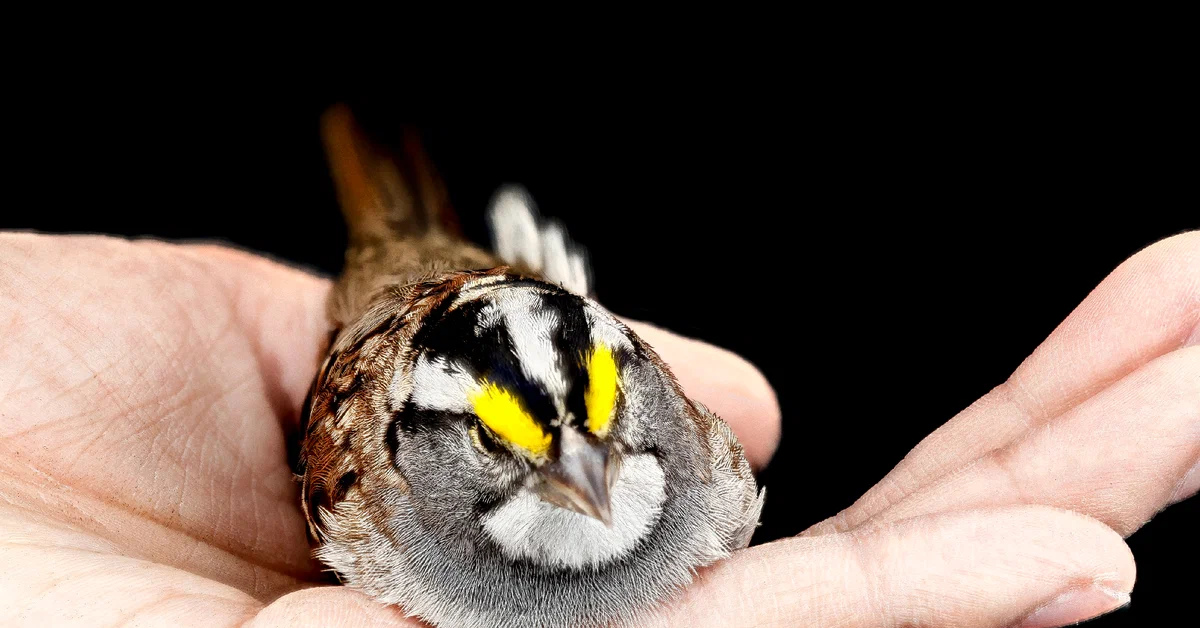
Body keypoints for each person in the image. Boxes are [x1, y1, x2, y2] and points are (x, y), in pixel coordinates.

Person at [0, 231, 1195, 627]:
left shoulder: (697, 466)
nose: (588, 469)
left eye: (610, 426)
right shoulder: (360, 488)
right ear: (401, 453)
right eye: (503, 443)